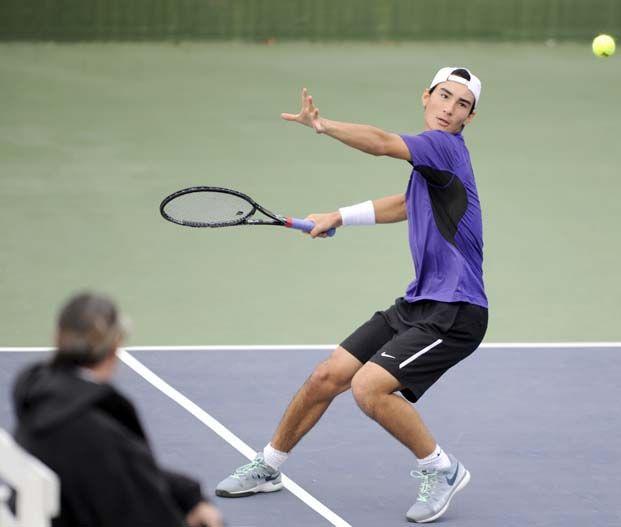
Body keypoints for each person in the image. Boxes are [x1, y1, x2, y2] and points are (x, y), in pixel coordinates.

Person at [216, 66, 488, 523]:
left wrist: (323, 126)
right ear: (426, 96)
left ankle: (440, 469)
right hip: (420, 302)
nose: (449, 109)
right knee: (328, 376)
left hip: (457, 309)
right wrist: (338, 216)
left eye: (462, 105)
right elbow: (405, 204)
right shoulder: (429, 166)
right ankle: (271, 465)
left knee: (368, 387)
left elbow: (382, 142)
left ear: (468, 118)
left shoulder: (444, 147)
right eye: (444, 96)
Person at [13, 292, 223, 527]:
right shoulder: (99, 432)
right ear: (115, 346)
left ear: (58, 338)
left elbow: (132, 473)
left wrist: (188, 495)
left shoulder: (36, 398)